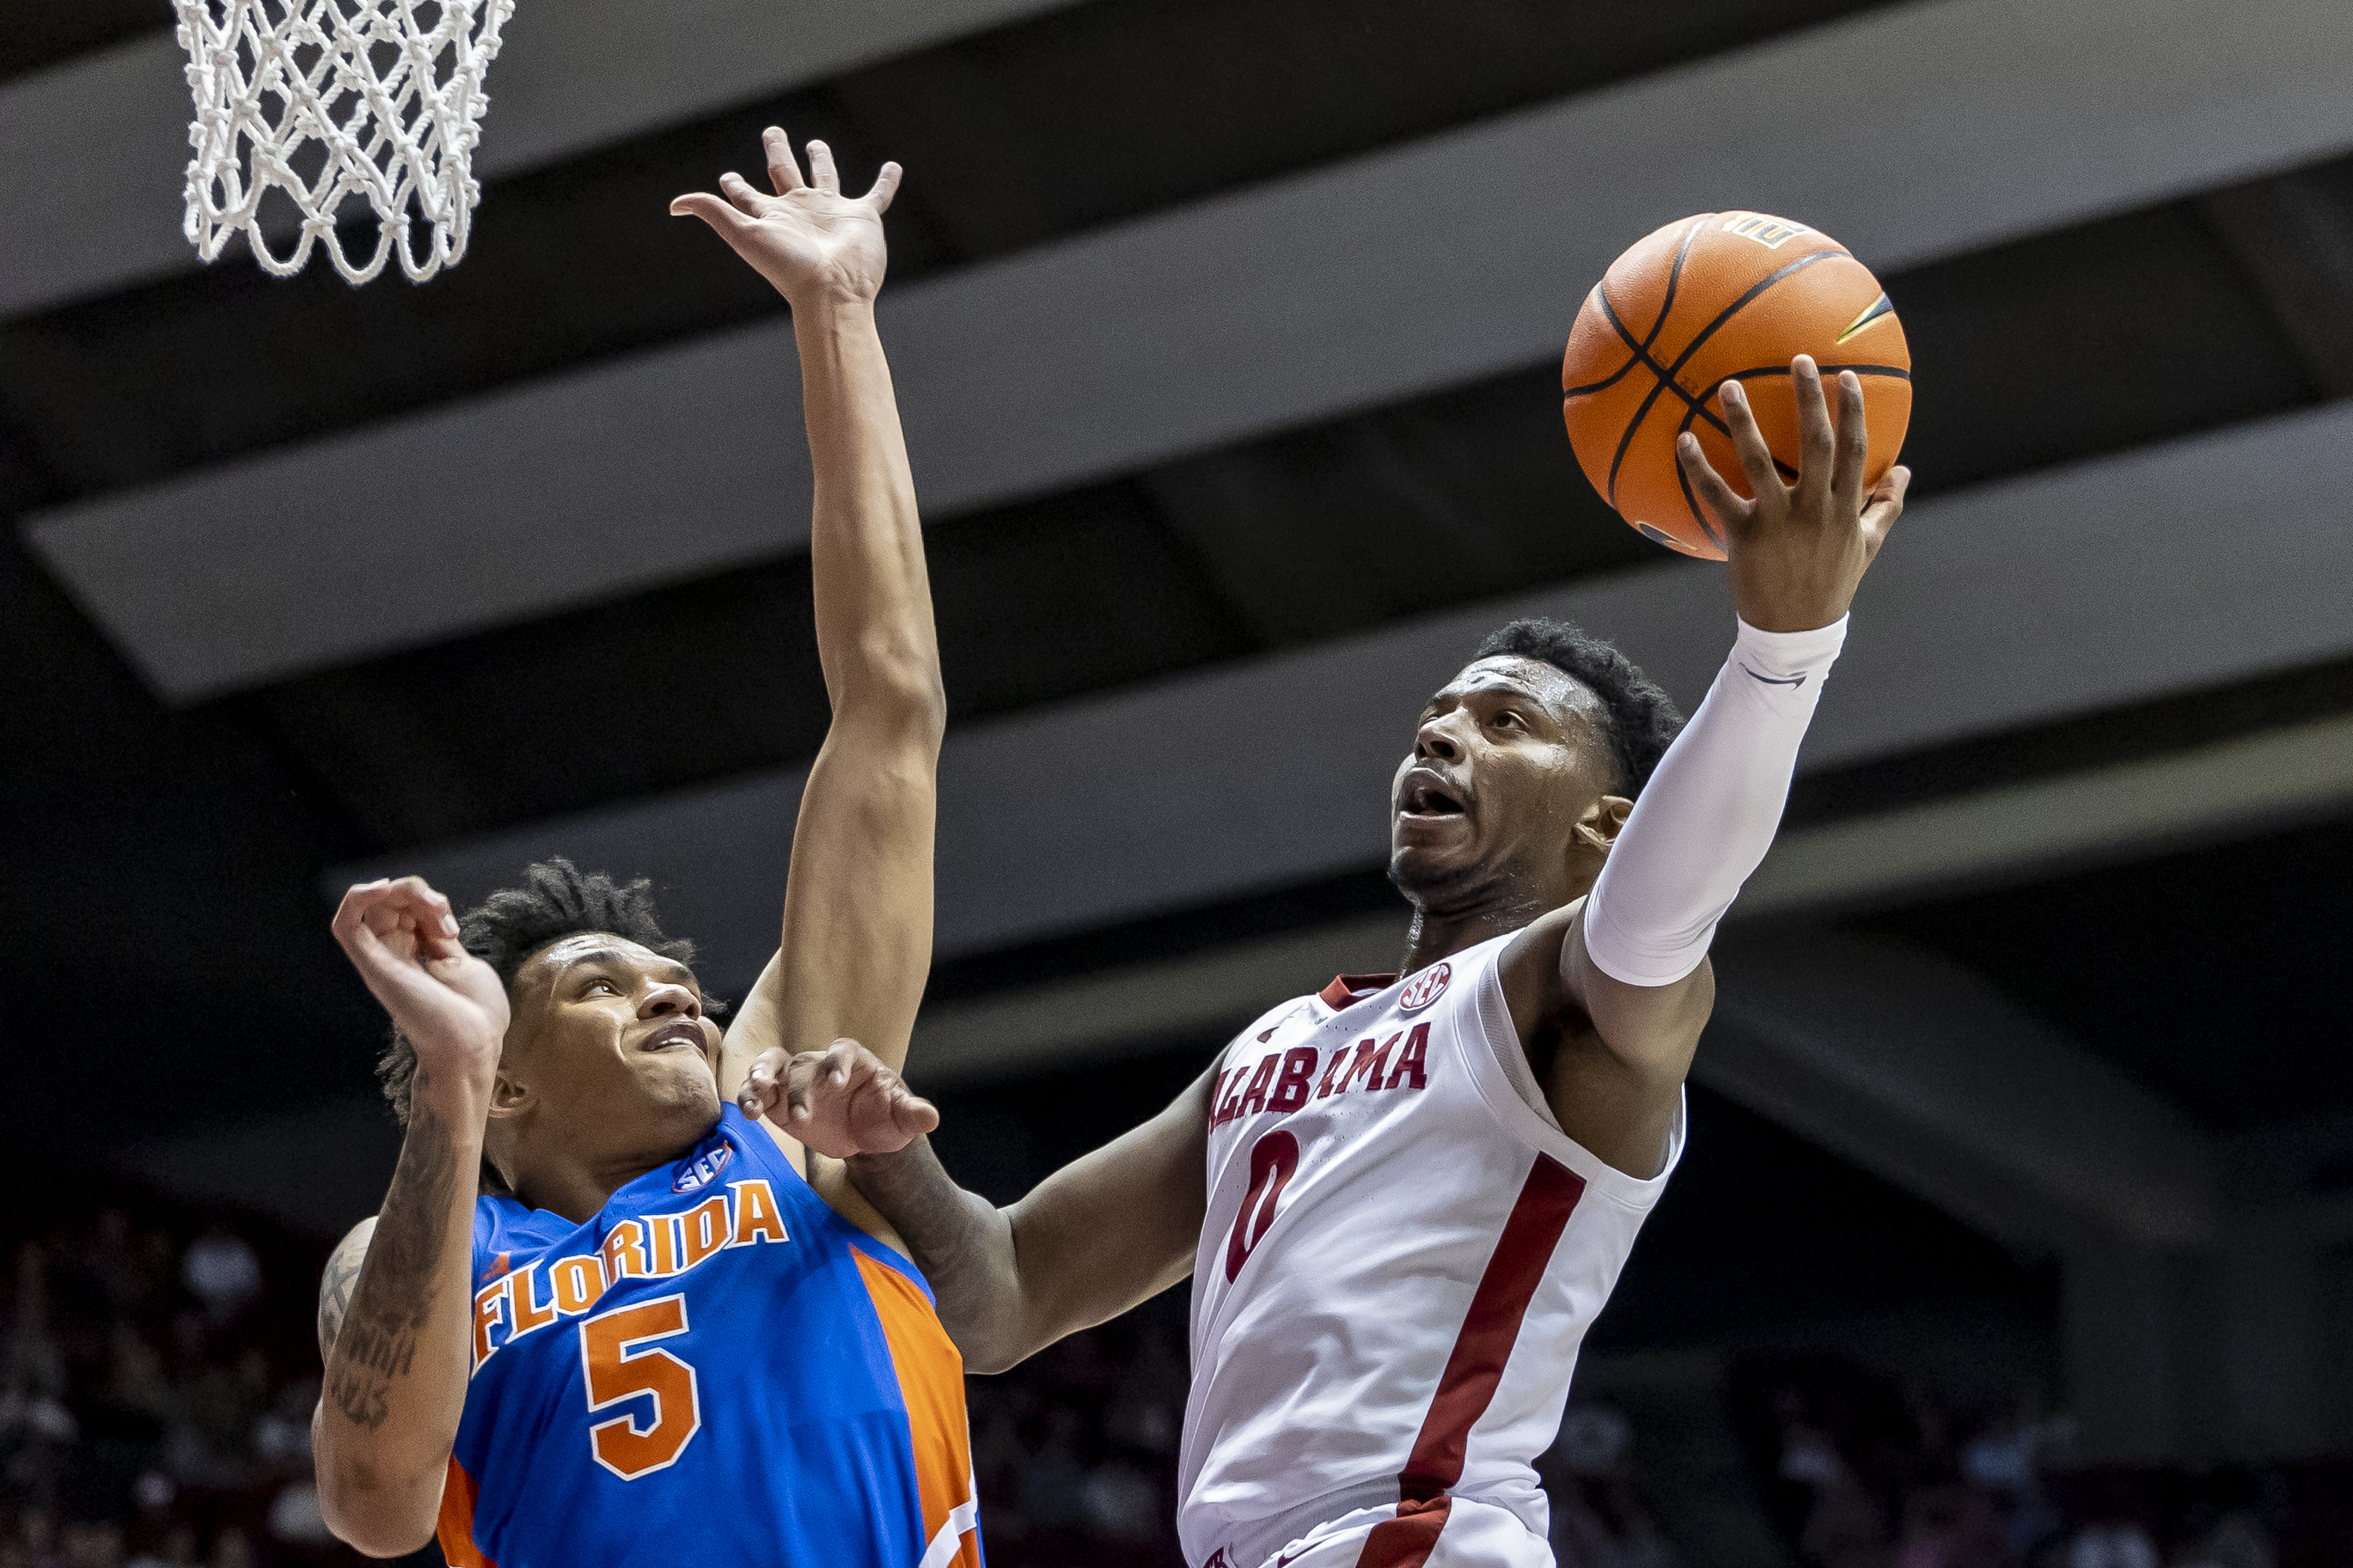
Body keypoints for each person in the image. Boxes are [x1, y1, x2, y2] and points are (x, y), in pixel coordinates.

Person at [749, 363, 1910, 1568]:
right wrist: (890, 1153)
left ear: (1605, 828)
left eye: (1505, 723)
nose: (1444, 730)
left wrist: (1784, 650)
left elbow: (1668, 906)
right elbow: (1002, 1294)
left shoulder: (1562, 1003)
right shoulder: (1273, 1047)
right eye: (1439, 717)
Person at [308, 130, 975, 1568]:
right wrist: (446, 1085)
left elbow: (888, 707)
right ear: (515, 1080)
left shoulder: (790, 1126)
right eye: (606, 984)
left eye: (673, 973)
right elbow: (374, 1507)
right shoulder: (424, 1253)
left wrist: (838, 317)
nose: (677, 989)